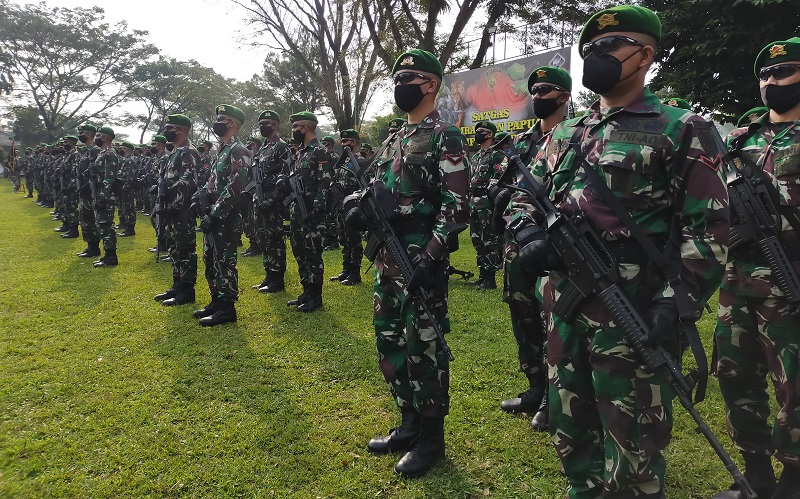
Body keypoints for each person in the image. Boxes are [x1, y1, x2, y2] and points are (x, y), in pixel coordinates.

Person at [506, 6, 729, 496]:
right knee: (573, 438)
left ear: (645, 54)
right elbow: (523, 194)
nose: (596, 56)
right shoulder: (567, 132)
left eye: (610, 46)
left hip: (634, 311)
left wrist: (676, 302)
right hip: (563, 311)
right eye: (589, 50)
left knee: (635, 454)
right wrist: (527, 234)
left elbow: (710, 226)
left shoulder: (683, 127)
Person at [362, 48, 469, 478]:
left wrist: (431, 255)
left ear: (432, 84)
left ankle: (431, 438)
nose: (400, 82)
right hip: (386, 259)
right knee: (389, 341)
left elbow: (458, 206)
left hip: (420, 262)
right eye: (397, 76)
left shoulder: (446, 136)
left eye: (411, 76)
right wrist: (361, 208)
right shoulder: (393, 137)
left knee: (423, 349)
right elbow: (380, 189)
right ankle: (407, 423)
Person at [711, 37, 800, 499]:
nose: (772, 81)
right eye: (765, 75)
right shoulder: (740, 141)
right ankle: (755, 474)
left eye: (783, 73)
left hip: (791, 285)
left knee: (795, 387)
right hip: (737, 284)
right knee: (735, 376)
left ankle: (794, 478)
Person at [497, 66, 572, 432]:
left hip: (555, 251)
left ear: (564, 96)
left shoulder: (575, 138)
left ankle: (552, 399)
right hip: (517, 247)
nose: (539, 95)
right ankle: (534, 387)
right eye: (535, 89)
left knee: (550, 324)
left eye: (547, 90)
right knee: (523, 319)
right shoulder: (521, 142)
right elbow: (511, 187)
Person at [193, 104, 251, 326]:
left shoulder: (239, 151)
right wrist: (203, 201)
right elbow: (213, 182)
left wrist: (216, 213)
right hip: (214, 214)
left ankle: (227, 308)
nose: (218, 122)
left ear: (233, 124)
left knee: (225, 260)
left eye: (223, 119)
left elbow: (236, 186)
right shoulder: (222, 150)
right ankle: (216, 300)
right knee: (210, 258)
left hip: (226, 216)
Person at [283, 111, 332, 312]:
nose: (293, 131)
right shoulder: (301, 152)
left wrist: (317, 210)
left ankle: (315, 296)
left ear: (304, 128)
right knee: (299, 252)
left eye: (295, 127)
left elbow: (325, 182)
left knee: (312, 254)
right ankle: (306, 291)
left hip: (311, 212)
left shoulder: (320, 151)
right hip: (297, 211)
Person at [154, 114, 201, 307]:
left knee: (185, 249)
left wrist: (173, 205)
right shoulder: (174, 152)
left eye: (170, 128)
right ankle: (177, 284)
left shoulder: (188, 152)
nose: (167, 131)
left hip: (182, 210)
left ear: (181, 130)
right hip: (171, 209)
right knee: (174, 247)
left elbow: (188, 183)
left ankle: (187, 290)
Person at [252, 110, 292, 294]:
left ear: (275, 125)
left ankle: (277, 278)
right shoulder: (263, 148)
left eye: (266, 123)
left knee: (275, 239)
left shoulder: (281, 147)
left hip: (273, 203)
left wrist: (273, 199)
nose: (262, 126)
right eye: (261, 123)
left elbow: (285, 176)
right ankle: (269, 274)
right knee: (263, 238)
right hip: (260, 201)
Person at [467, 120, 506, 290]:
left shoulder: (496, 155)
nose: (478, 134)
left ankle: (490, 279)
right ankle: (482, 274)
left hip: (487, 204)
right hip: (474, 204)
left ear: (490, 134)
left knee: (490, 241)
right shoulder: (476, 157)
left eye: (481, 131)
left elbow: (500, 179)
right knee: (477, 239)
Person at [329, 128, 364, 285]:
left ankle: (355, 273)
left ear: (355, 142)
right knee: (343, 238)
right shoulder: (342, 163)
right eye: (342, 141)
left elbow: (365, 185)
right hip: (340, 206)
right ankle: (346, 270)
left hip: (353, 206)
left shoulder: (360, 162)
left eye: (347, 141)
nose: (344, 144)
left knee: (353, 240)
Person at [91, 126, 120, 268]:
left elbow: (110, 178)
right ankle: (107, 254)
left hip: (106, 195)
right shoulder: (103, 153)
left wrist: (103, 196)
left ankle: (111, 256)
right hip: (100, 193)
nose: (95, 138)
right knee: (101, 225)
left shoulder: (109, 153)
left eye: (98, 135)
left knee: (106, 225)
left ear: (105, 137)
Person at [116, 142, 138, 237]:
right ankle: (124, 224)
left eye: (123, 148)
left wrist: (125, 188)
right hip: (123, 188)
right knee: (124, 208)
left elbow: (130, 177)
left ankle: (130, 229)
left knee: (129, 208)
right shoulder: (125, 160)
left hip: (127, 189)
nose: (121, 149)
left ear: (128, 149)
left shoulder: (130, 160)